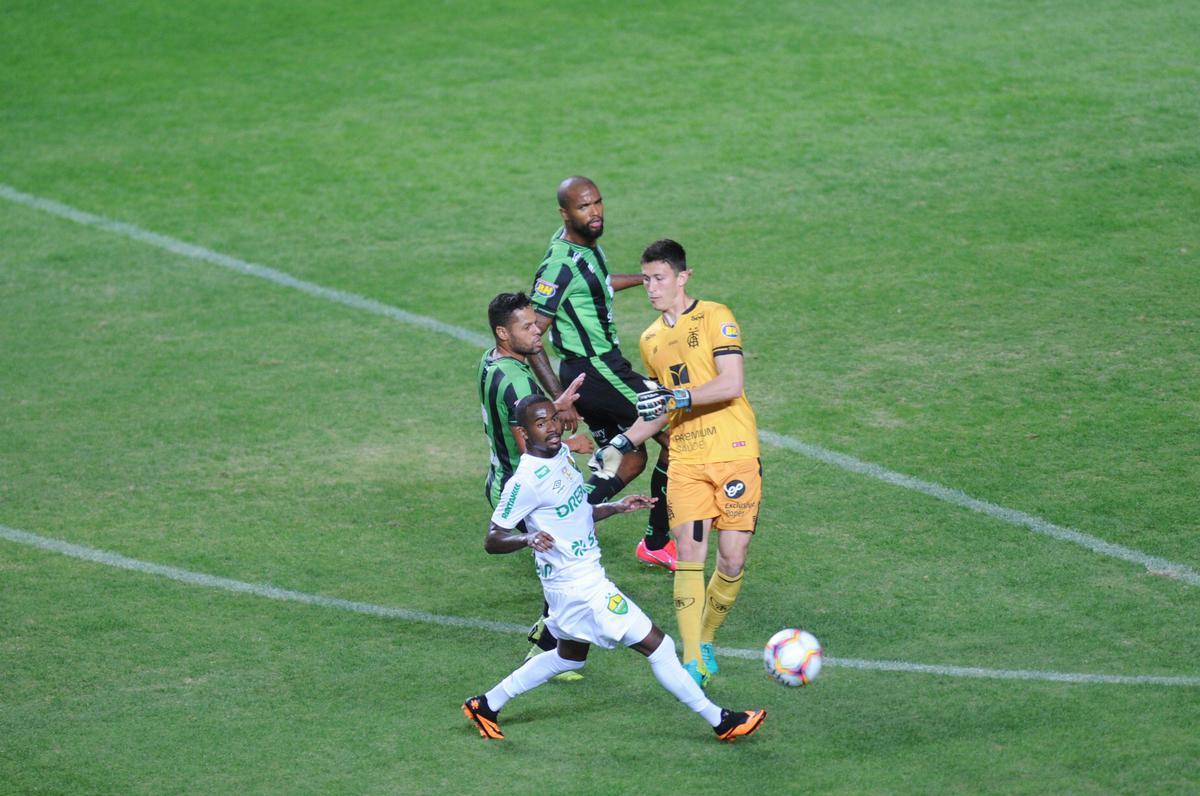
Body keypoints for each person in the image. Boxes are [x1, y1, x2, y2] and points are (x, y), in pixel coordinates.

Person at [462, 394, 765, 742]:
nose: (552, 428)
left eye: (553, 419)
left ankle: (486, 704)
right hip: (580, 587)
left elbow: (577, 511)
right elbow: (493, 537)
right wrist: (527, 539)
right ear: (524, 432)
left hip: (574, 585)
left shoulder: (560, 455)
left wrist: (617, 506)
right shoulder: (525, 481)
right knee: (660, 647)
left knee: (568, 658)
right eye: (540, 423)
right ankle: (721, 721)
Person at [589, 239, 762, 688]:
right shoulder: (649, 339)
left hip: (734, 451)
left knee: (732, 557)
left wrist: (678, 396)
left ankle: (705, 637)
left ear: (683, 277)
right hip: (685, 458)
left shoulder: (716, 317)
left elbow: (731, 383)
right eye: (645, 279)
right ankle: (691, 660)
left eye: (659, 278)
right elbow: (663, 410)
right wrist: (621, 443)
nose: (650, 288)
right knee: (689, 554)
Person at [526, 176, 677, 571]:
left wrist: (644, 280)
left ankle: (561, 530)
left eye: (597, 203)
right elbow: (532, 337)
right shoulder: (558, 264)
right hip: (594, 371)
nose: (593, 213)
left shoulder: (585, 248)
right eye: (583, 207)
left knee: (627, 460)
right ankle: (657, 542)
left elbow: (596, 284)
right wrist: (562, 399)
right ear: (564, 213)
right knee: (677, 434)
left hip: (602, 368)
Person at [478, 292, 591, 674]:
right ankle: (545, 649)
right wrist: (569, 443)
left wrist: (556, 406)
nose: (537, 330)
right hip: (527, 492)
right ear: (502, 333)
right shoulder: (516, 383)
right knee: (567, 565)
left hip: (502, 477)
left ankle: (552, 639)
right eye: (526, 327)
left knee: (563, 562)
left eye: (534, 322)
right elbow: (527, 443)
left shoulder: (492, 361)